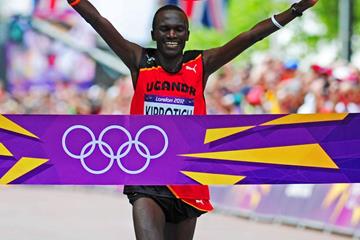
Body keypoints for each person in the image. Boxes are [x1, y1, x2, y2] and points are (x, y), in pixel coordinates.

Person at [67, 0, 318, 239]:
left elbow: (249, 36)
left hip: (187, 177)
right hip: (147, 175)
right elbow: (98, 21)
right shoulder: (140, 61)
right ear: (154, 33)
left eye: (178, 29)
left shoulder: (201, 64)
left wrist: (296, 9)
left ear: (187, 35)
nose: (172, 35)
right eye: (165, 29)